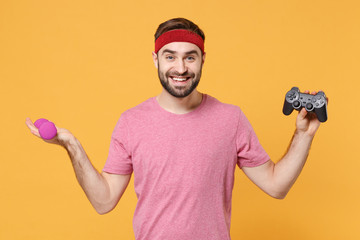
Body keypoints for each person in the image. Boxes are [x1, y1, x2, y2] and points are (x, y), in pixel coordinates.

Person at [26, 18, 323, 240]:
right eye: (170, 56)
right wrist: (71, 145)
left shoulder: (230, 119)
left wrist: (304, 135)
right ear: (155, 59)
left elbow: (276, 185)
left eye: (189, 57)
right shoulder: (131, 122)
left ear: (202, 59)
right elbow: (103, 202)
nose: (180, 68)